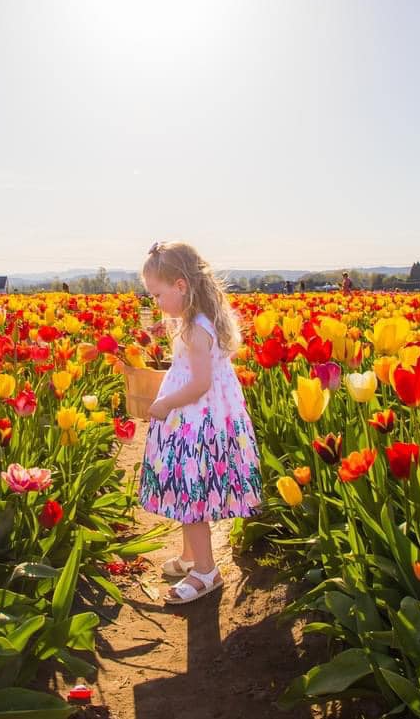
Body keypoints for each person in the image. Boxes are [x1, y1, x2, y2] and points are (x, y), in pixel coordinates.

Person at [138, 241, 263, 605]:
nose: (155, 303)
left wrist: (164, 404)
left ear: (181, 286)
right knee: (188, 489)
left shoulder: (195, 330)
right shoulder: (197, 322)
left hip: (195, 423)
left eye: (158, 295)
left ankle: (206, 570)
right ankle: (192, 555)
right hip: (209, 417)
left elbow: (199, 384)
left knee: (192, 494)